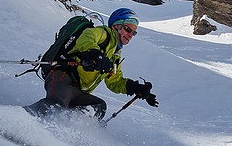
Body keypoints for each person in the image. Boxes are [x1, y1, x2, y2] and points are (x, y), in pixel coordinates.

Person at [24, 8, 157, 120]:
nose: (130, 35)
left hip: (78, 91)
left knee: (98, 106)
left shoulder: (115, 55)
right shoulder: (103, 33)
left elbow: (114, 82)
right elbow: (86, 38)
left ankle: (69, 130)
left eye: (134, 32)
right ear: (116, 26)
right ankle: (18, 119)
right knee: (55, 107)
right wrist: (95, 54)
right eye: (128, 29)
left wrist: (135, 88)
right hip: (63, 76)